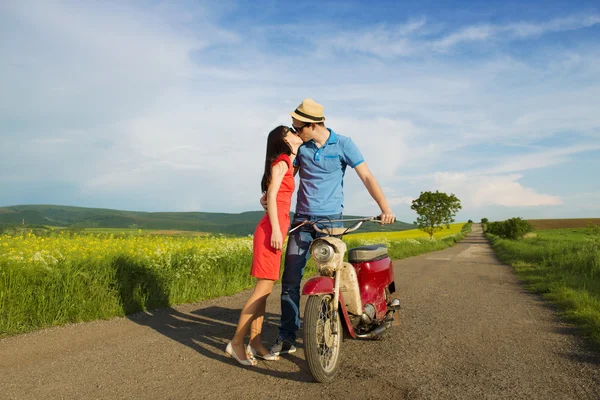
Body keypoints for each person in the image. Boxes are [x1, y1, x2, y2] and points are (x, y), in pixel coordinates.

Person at [264, 98, 396, 356]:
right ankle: (287, 336)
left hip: (331, 222)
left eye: (298, 128)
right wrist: (267, 193)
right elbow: (287, 176)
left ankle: (333, 323)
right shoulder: (301, 148)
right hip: (302, 219)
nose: (295, 132)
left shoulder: (344, 144)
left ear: (313, 125)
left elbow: (367, 176)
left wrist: (385, 207)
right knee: (290, 277)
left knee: (333, 277)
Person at [226, 125, 303, 366]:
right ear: (283, 139)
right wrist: (278, 231)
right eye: (290, 131)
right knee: (263, 290)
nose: (295, 132)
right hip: (271, 231)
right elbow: (270, 197)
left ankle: (256, 343)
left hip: (273, 227)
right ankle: (236, 343)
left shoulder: (288, 163)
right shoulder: (281, 161)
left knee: (266, 290)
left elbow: (271, 194)